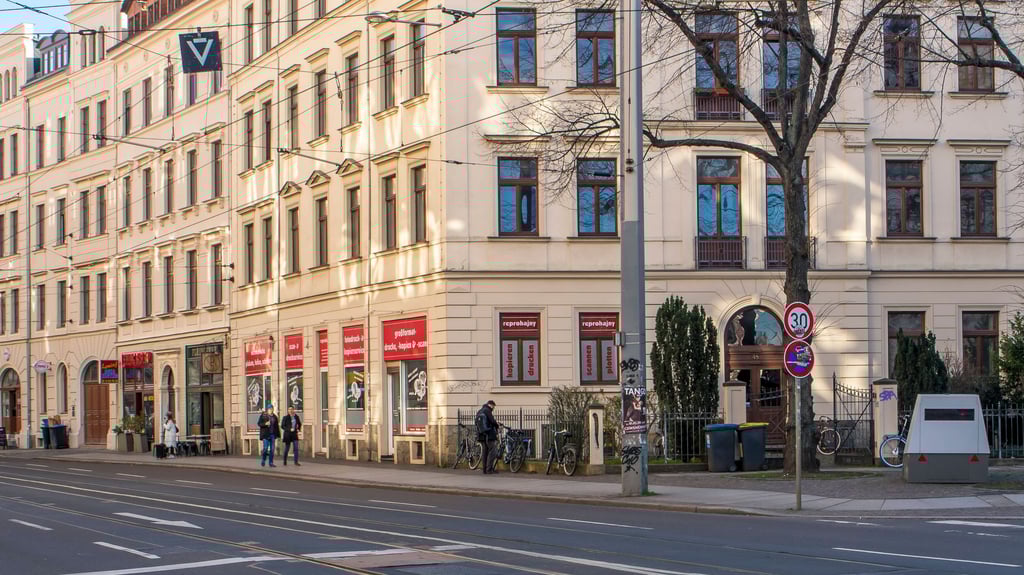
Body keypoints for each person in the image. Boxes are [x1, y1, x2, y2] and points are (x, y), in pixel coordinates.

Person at [475, 400, 499, 474]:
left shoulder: (479, 411)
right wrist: (497, 425)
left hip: (481, 434)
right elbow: (492, 421)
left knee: (485, 452)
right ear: (491, 405)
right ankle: (489, 469)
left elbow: (476, 423)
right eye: (493, 407)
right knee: (492, 451)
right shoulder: (488, 411)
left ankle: (484, 469)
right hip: (489, 434)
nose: (493, 408)